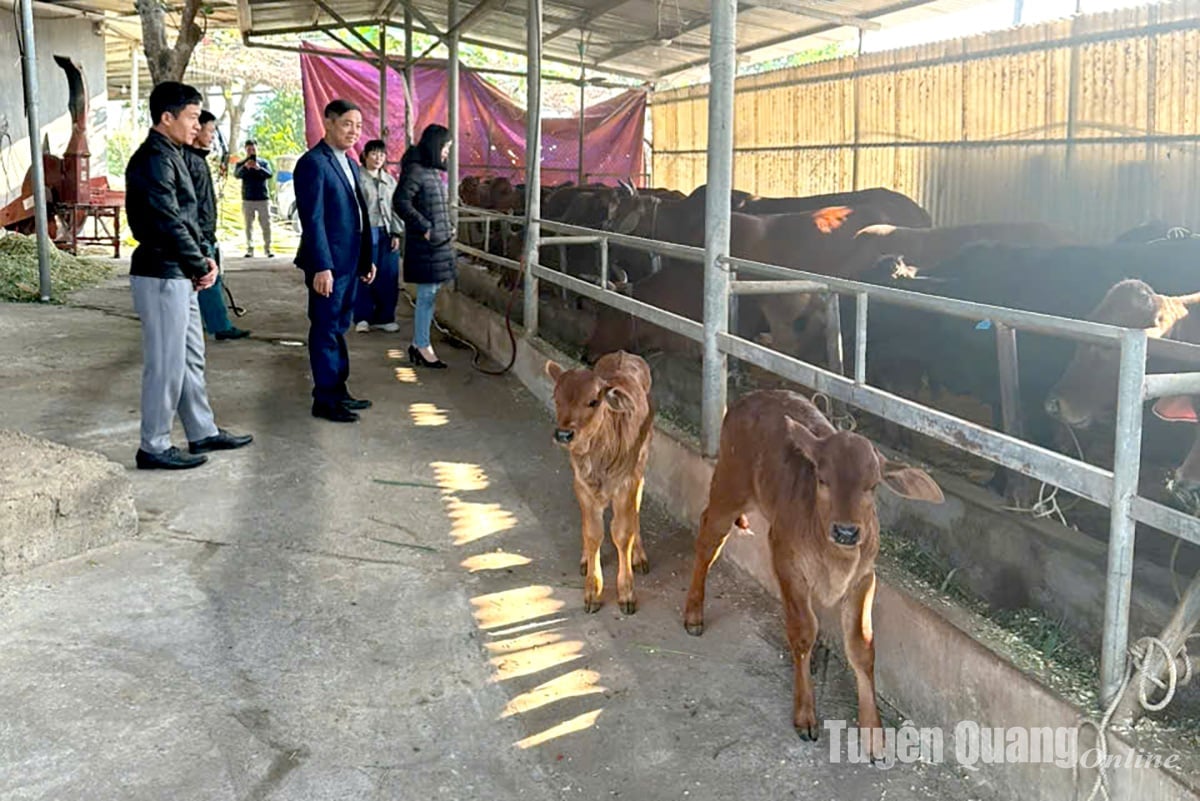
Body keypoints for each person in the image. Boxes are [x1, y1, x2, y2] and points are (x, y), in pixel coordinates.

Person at [124, 81, 253, 469]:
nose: (198, 126)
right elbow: (167, 220)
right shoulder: (154, 159)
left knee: (191, 357)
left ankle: (201, 430)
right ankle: (154, 445)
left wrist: (201, 259)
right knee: (165, 363)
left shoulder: (174, 154)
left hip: (179, 270)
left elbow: (190, 217)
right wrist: (200, 263)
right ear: (167, 118)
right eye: (193, 117)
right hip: (162, 272)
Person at [293, 98, 377, 423]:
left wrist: (366, 258)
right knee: (325, 328)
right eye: (347, 124)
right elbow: (312, 220)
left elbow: (359, 215)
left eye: (358, 126)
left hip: (349, 261)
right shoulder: (313, 163)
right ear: (328, 122)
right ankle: (324, 400)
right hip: (328, 265)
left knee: (340, 327)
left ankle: (339, 390)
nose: (354, 132)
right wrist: (321, 266)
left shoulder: (350, 162)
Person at [394, 124, 455, 370]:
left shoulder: (429, 171)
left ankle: (420, 342)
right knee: (427, 297)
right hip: (427, 246)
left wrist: (444, 225)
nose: (446, 153)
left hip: (437, 244)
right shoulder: (416, 171)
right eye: (445, 148)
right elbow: (400, 201)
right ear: (434, 145)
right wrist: (425, 227)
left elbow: (431, 204)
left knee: (429, 297)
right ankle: (421, 345)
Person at [185, 110, 250, 341]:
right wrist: (202, 237)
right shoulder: (188, 161)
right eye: (210, 130)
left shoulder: (196, 159)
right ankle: (218, 325)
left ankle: (219, 323)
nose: (212, 136)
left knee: (212, 280)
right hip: (197, 234)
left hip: (204, 232)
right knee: (206, 280)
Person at [353, 139, 405, 334]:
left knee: (388, 275)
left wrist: (396, 232)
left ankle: (385, 317)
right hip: (365, 232)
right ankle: (362, 317)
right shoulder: (356, 178)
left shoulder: (389, 180)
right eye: (374, 153)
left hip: (386, 231)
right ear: (365, 155)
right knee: (365, 274)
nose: (378, 158)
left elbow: (396, 208)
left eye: (382, 155)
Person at [234, 139, 273, 258]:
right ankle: (250, 249)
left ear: (257, 149)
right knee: (248, 226)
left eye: (254, 149)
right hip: (248, 199)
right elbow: (237, 175)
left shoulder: (264, 163)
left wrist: (258, 168)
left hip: (263, 199)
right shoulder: (241, 164)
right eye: (249, 149)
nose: (251, 151)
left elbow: (269, 175)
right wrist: (245, 167)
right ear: (245, 150)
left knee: (266, 225)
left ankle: (268, 249)